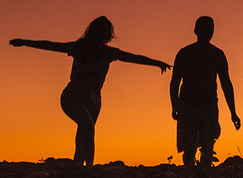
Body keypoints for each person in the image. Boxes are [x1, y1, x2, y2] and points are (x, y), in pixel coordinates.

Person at [9, 16, 170, 165]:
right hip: (72, 97)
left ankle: (78, 165)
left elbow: (134, 58)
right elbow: (51, 46)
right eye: (99, 30)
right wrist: (25, 42)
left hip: (94, 102)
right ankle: (90, 168)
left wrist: (157, 63)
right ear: (92, 31)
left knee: (84, 133)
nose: (102, 34)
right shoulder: (78, 48)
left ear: (108, 35)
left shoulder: (109, 53)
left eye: (105, 31)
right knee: (87, 126)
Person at [171, 16, 241, 166]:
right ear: (196, 30)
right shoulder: (184, 53)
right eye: (204, 29)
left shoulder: (218, 54)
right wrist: (174, 106)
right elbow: (175, 82)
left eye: (210, 30)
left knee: (208, 146)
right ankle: (189, 174)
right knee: (189, 148)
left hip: (208, 105)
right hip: (187, 105)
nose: (207, 33)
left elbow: (226, 84)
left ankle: (204, 174)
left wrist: (233, 112)